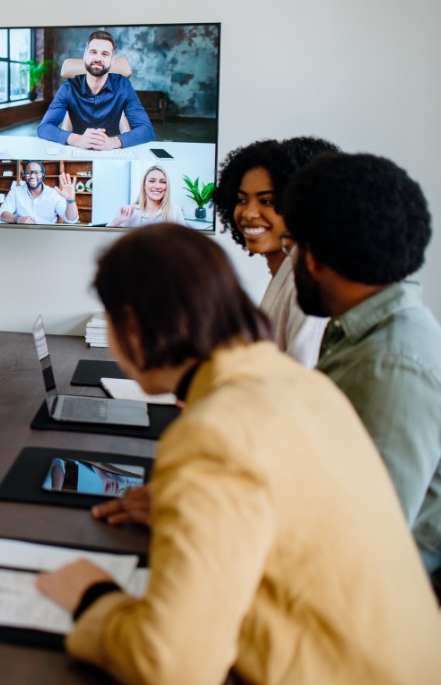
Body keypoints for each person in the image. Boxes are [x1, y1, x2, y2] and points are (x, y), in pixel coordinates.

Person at [34, 224, 441, 683]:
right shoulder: (298, 384)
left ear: (132, 326)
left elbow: (171, 666)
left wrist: (93, 598)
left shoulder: (213, 432)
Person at [283, 151, 441, 592]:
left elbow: (359, 545)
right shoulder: (361, 333)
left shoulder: (390, 367)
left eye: (292, 246)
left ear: (313, 257)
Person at [214, 136, 339, 366]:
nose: (249, 213)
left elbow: (301, 374)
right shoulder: (285, 271)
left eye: (267, 201)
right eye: (242, 200)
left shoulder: (307, 281)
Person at [36, 30, 155, 150]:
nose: (98, 58)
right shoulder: (69, 87)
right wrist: (77, 139)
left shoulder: (123, 85)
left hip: (111, 151)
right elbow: (44, 127)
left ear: (112, 60)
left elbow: (146, 130)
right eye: (93, 52)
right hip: (77, 150)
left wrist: (114, 142)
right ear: (85, 56)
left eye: (105, 54)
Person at [0, 161, 79, 225]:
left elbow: (71, 220)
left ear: (43, 174)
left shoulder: (53, 194)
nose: (32, 176)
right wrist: (18, 219)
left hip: (47, 236)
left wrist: (70, 200)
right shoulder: (15, 192)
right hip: (22, 234)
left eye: (37, 172)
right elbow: (1, 214)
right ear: (24, 175)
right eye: (28, 172)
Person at [108, 165, 187, 228]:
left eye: (162, 182)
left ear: (167, 187)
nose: (157, 186)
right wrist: (117, 220)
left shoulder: (175, 211)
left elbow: (186, 239)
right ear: (144, 185)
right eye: (152, 181)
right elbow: (104, 237)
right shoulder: (130, 212)